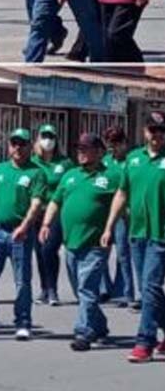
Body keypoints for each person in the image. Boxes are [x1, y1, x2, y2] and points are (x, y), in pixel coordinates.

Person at [41, 133, 118, 351]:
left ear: (99, 151)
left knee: (86, 288)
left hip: (95, 244)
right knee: (82, 291)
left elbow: (122, 201)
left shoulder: (112, 176)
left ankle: (83, 332)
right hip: (71, 243)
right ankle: (100, 326)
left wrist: (113, 228)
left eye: (86, 149)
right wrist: (46, 224)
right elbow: (55, 202)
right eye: (79, 149)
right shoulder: (70, 176)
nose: (81, 153)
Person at [0, 128, 46, 341]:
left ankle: (23, 322)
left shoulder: (36, 172)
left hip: (20, 233)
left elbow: (36, 203)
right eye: (14, 143)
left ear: (29, 146)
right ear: (9, 146)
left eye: (22, 143)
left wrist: (24, 226)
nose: (18, 148)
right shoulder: (0, 170)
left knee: (22, 280)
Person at [102, 111, 165, 362]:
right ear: (145, 132)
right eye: (152, 130)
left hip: (161, 235)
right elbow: (121, 194)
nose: (156, 135)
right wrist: (109, 226)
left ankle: (145, 342)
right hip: (136, 233)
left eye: (161, 131)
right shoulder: (133, 160)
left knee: (150, 286)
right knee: (148, 289)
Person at [33, 123, 72, 306]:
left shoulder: (64, 163)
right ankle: (44, 288)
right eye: (44, 136)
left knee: (49, 249)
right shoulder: (33, 162)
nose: (47, 140)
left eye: (51, 136)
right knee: (39, 251)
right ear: (38, 139)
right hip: (36, 212)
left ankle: (53, 289)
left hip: (57, 211)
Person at [101, 126, 136, 308]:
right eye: (110, 143)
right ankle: (104, 288)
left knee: (123, 253)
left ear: (124, 143)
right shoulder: (105, 161)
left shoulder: (131, 161)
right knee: (101, 251)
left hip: (123, 215)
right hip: (105, 213)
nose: (113, 147)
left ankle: (126, 292)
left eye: (116, 143)